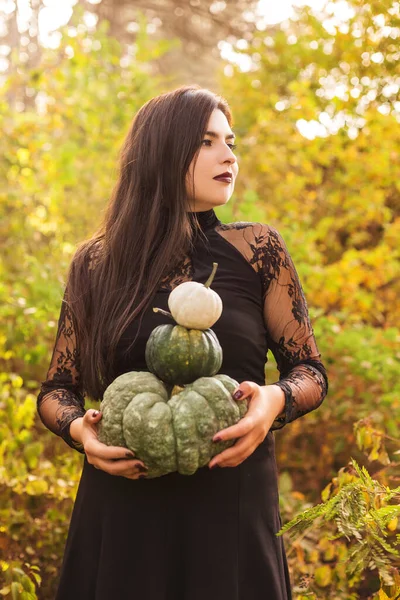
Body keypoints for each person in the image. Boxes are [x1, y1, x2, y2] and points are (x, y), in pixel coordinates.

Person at [37, 84, 328, 600]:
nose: (228, 154)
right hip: (124, 507)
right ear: (163, 153)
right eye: (207, 142)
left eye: (231, 141)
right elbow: (58, 388)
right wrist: (83, 432)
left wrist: (272, 402)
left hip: (231, 504)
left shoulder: (258, 249)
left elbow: (309, 371)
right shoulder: (97, 264)